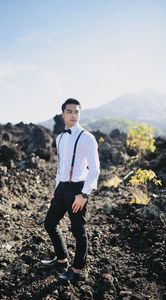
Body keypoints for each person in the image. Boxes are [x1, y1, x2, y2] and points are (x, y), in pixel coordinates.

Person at [41, 98, 100, 282]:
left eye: (76, 112)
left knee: (78, 231)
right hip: (61, 188)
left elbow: (95, 169)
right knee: (50, 223)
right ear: (62, 114)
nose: (73, 115)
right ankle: (61, 259)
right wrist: (55, 188)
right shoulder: (59, 138)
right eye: (69, 111)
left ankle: (77, 270)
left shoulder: (87, 137)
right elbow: (61, 166)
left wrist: (84, 194)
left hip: (77, 189)